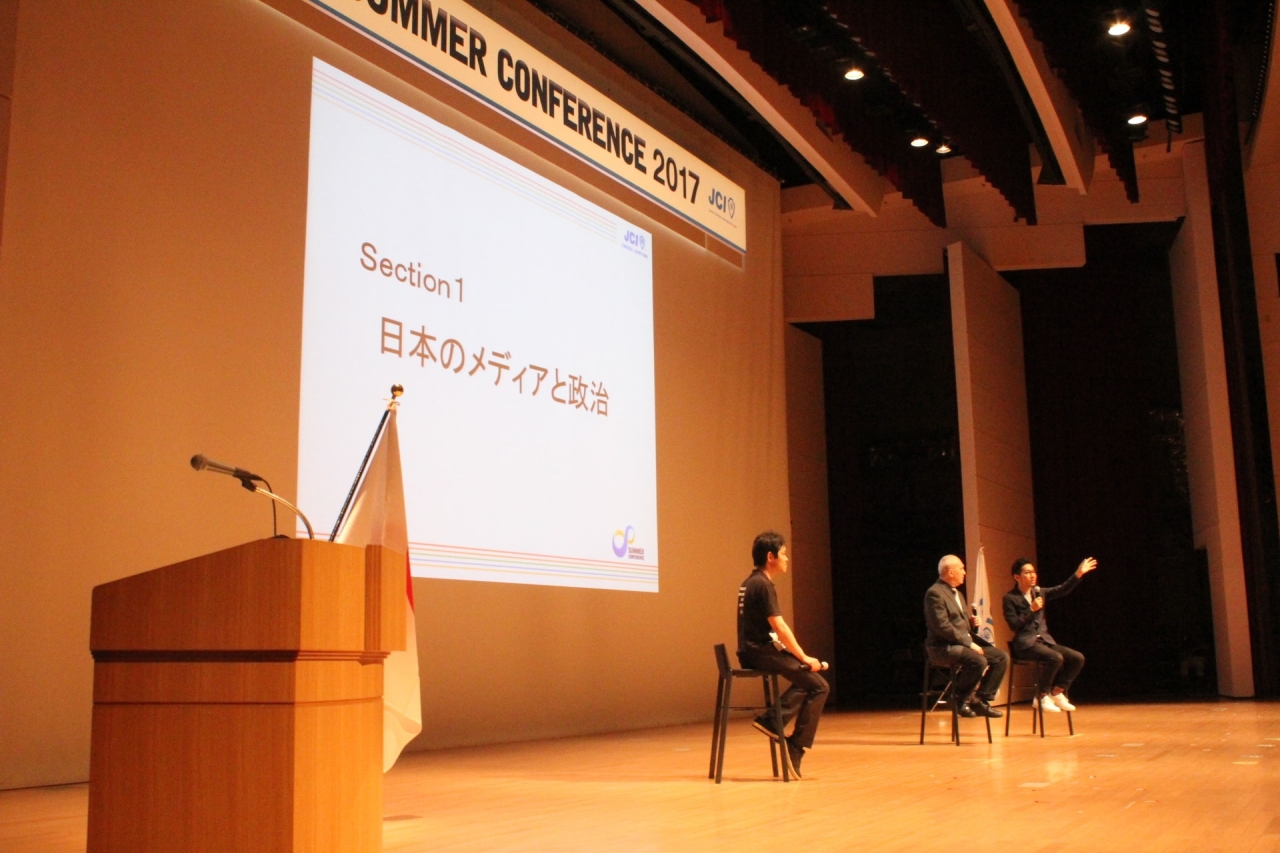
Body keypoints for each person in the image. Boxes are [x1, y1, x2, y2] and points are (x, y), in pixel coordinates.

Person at [737, 530, 829, 779]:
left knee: (810, 680)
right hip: (759, 652)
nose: (787, 558)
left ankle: (773, 721)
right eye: (784, 554)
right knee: (820, 686)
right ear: (771, 557)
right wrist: (804, 657)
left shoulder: (752, 582)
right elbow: (779, 626)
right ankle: (793, 743)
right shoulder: (763, 585)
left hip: (754, 651)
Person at [1002, 557, 1097, 712]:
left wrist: (1078, 574)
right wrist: (1031, 610)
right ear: (1017, 577)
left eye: (1033, 572)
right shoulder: (1010, 598)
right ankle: (1040, 696)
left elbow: (1062, 589)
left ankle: (1057, 692)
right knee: (1055, 658)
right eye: (1028, 572)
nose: (1032, 575)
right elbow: (1014, 624)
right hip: (1025, 645)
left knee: (1077, 658)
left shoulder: (1039, 592)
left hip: (1045, 641)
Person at [923, 555, 1007, 718]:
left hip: (960, 644)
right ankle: (959, 699)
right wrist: (969, 643)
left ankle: (979, 700)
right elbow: (942, 626)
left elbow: (958, 625)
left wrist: (971, 623)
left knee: (1001, 657)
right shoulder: (934, 593)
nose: (964, 572)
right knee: (978, 660)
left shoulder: (958, 594)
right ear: (950, 572)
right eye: (961, 568)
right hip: (942, 647)